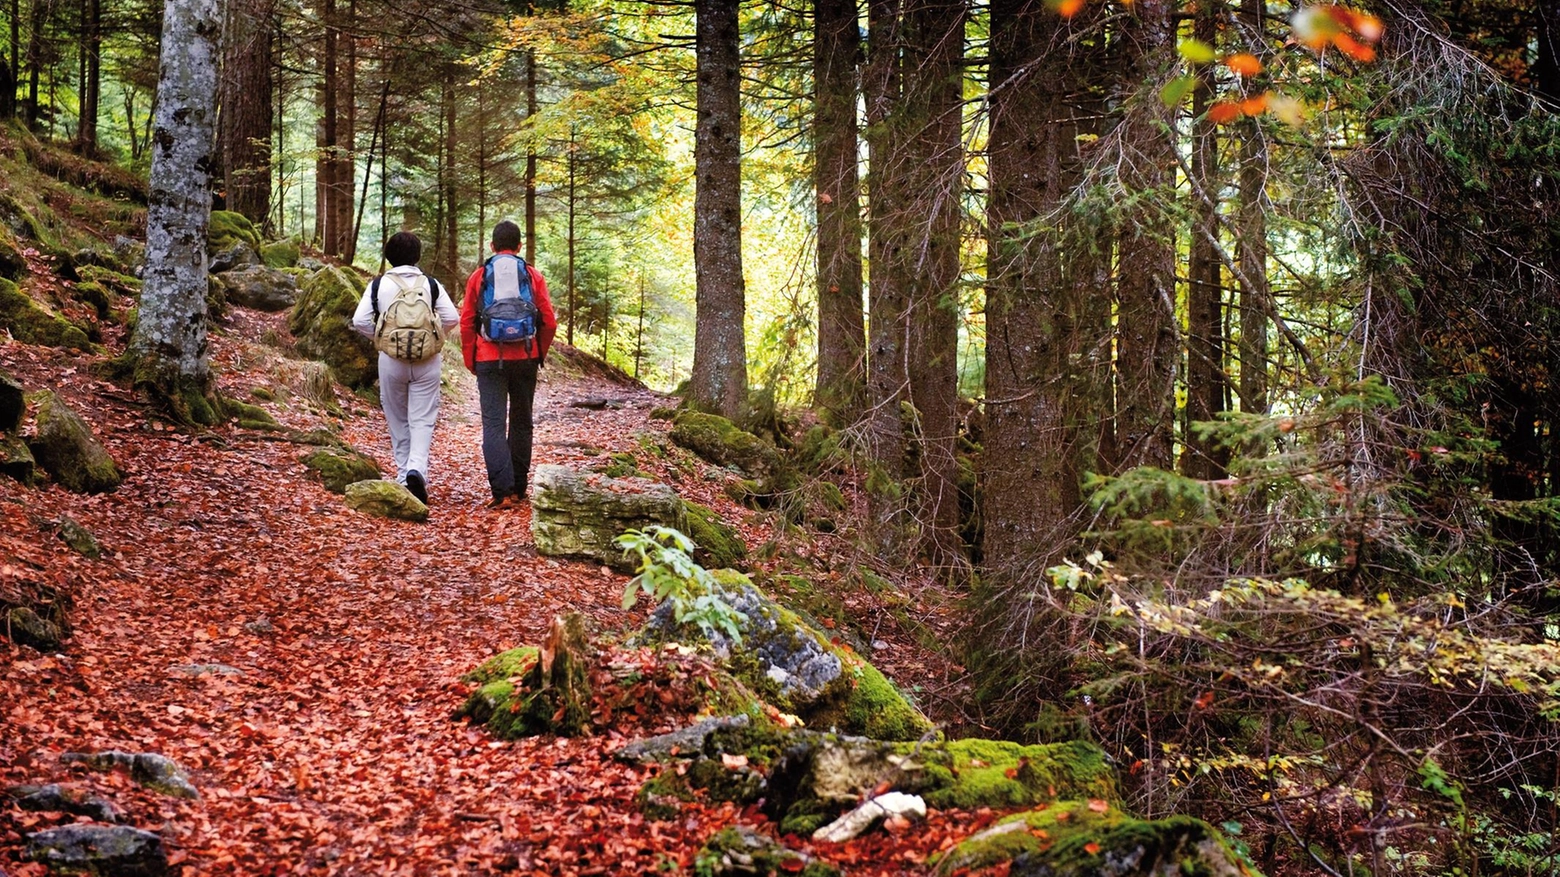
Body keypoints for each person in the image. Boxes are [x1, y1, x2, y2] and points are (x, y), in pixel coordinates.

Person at [351, 231, 459, 505]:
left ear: (389, 256)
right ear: (417, 256)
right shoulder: (431, 284)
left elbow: (360, 320)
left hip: (391, 361)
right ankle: (417, 470)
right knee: (422, 419)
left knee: (397, 418)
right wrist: (434, 337)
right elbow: (451, 317)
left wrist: (381, 339)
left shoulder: (378, 285)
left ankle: (403, 478)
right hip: (427, 362)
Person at [461, 220, 558, 509]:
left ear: (492, 246)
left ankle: (501, 492)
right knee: (521, 421)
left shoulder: (479, 276)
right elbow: (549, 321)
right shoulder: (532, 275)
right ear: (519, 247)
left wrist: (471, 358)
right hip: (526, 357)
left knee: (493, 424)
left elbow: (467, 322)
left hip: (489, 358)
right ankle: (518, 489)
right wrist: (539, 352)